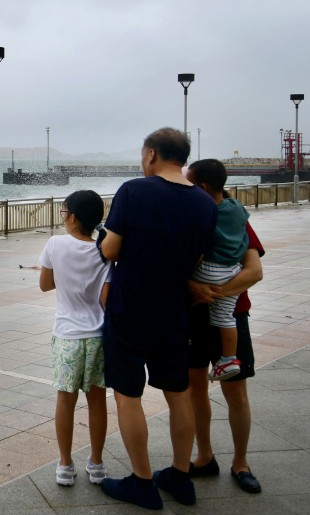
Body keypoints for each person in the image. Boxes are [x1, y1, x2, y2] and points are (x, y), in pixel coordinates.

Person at [98, 127, 217, 510]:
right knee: (177, 392)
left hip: (129, 308)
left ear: (151, 154)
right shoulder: (204, 203)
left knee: (128, 395)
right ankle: (181, 477)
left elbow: (110, 248)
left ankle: (143, 482)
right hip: (175, 310)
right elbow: (197, 258)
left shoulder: (134, 190)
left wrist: (106, 239)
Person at [38, 190, 112, 487]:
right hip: (97, 336)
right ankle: (96, 463)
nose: (63, 216)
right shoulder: (104, 251)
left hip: (67, 335)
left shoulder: (55, 244)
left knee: (65, 402)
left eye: (64, 211)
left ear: (73, 217)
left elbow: (45, 285)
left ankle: (65, 465)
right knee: (97, 402)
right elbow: (106, 300)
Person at [188, 213, 265, 494]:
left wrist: (210, 292)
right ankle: (204, 456)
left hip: (233, 315)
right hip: (193, 317)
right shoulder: (189, 219)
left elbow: (254, 271)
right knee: (194, 387)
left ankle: (241, 463)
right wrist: (191, 286)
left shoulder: (235, 221)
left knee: (236, 391)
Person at [185, 159, 250, 381]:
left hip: (210, 272)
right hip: (232, 270)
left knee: (190, 295)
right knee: (226, 318)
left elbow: (196, 254)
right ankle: (229, 357)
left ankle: (228, 360)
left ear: (201, 188)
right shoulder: (237, 208)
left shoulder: (203, 215)